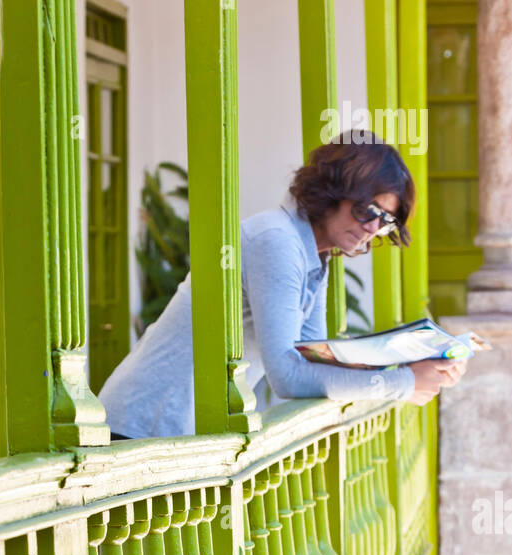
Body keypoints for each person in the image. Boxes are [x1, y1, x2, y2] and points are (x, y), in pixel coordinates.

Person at [99, 133, 465, 439]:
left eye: (385, 221)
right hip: (138, 428)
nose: (373, 228)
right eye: (368, 210)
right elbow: (288, 376)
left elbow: (318, 359)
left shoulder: (314, 254)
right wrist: (402, 383)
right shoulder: (277, 240)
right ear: (334, 189)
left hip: (171, 435)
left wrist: (406, 363)